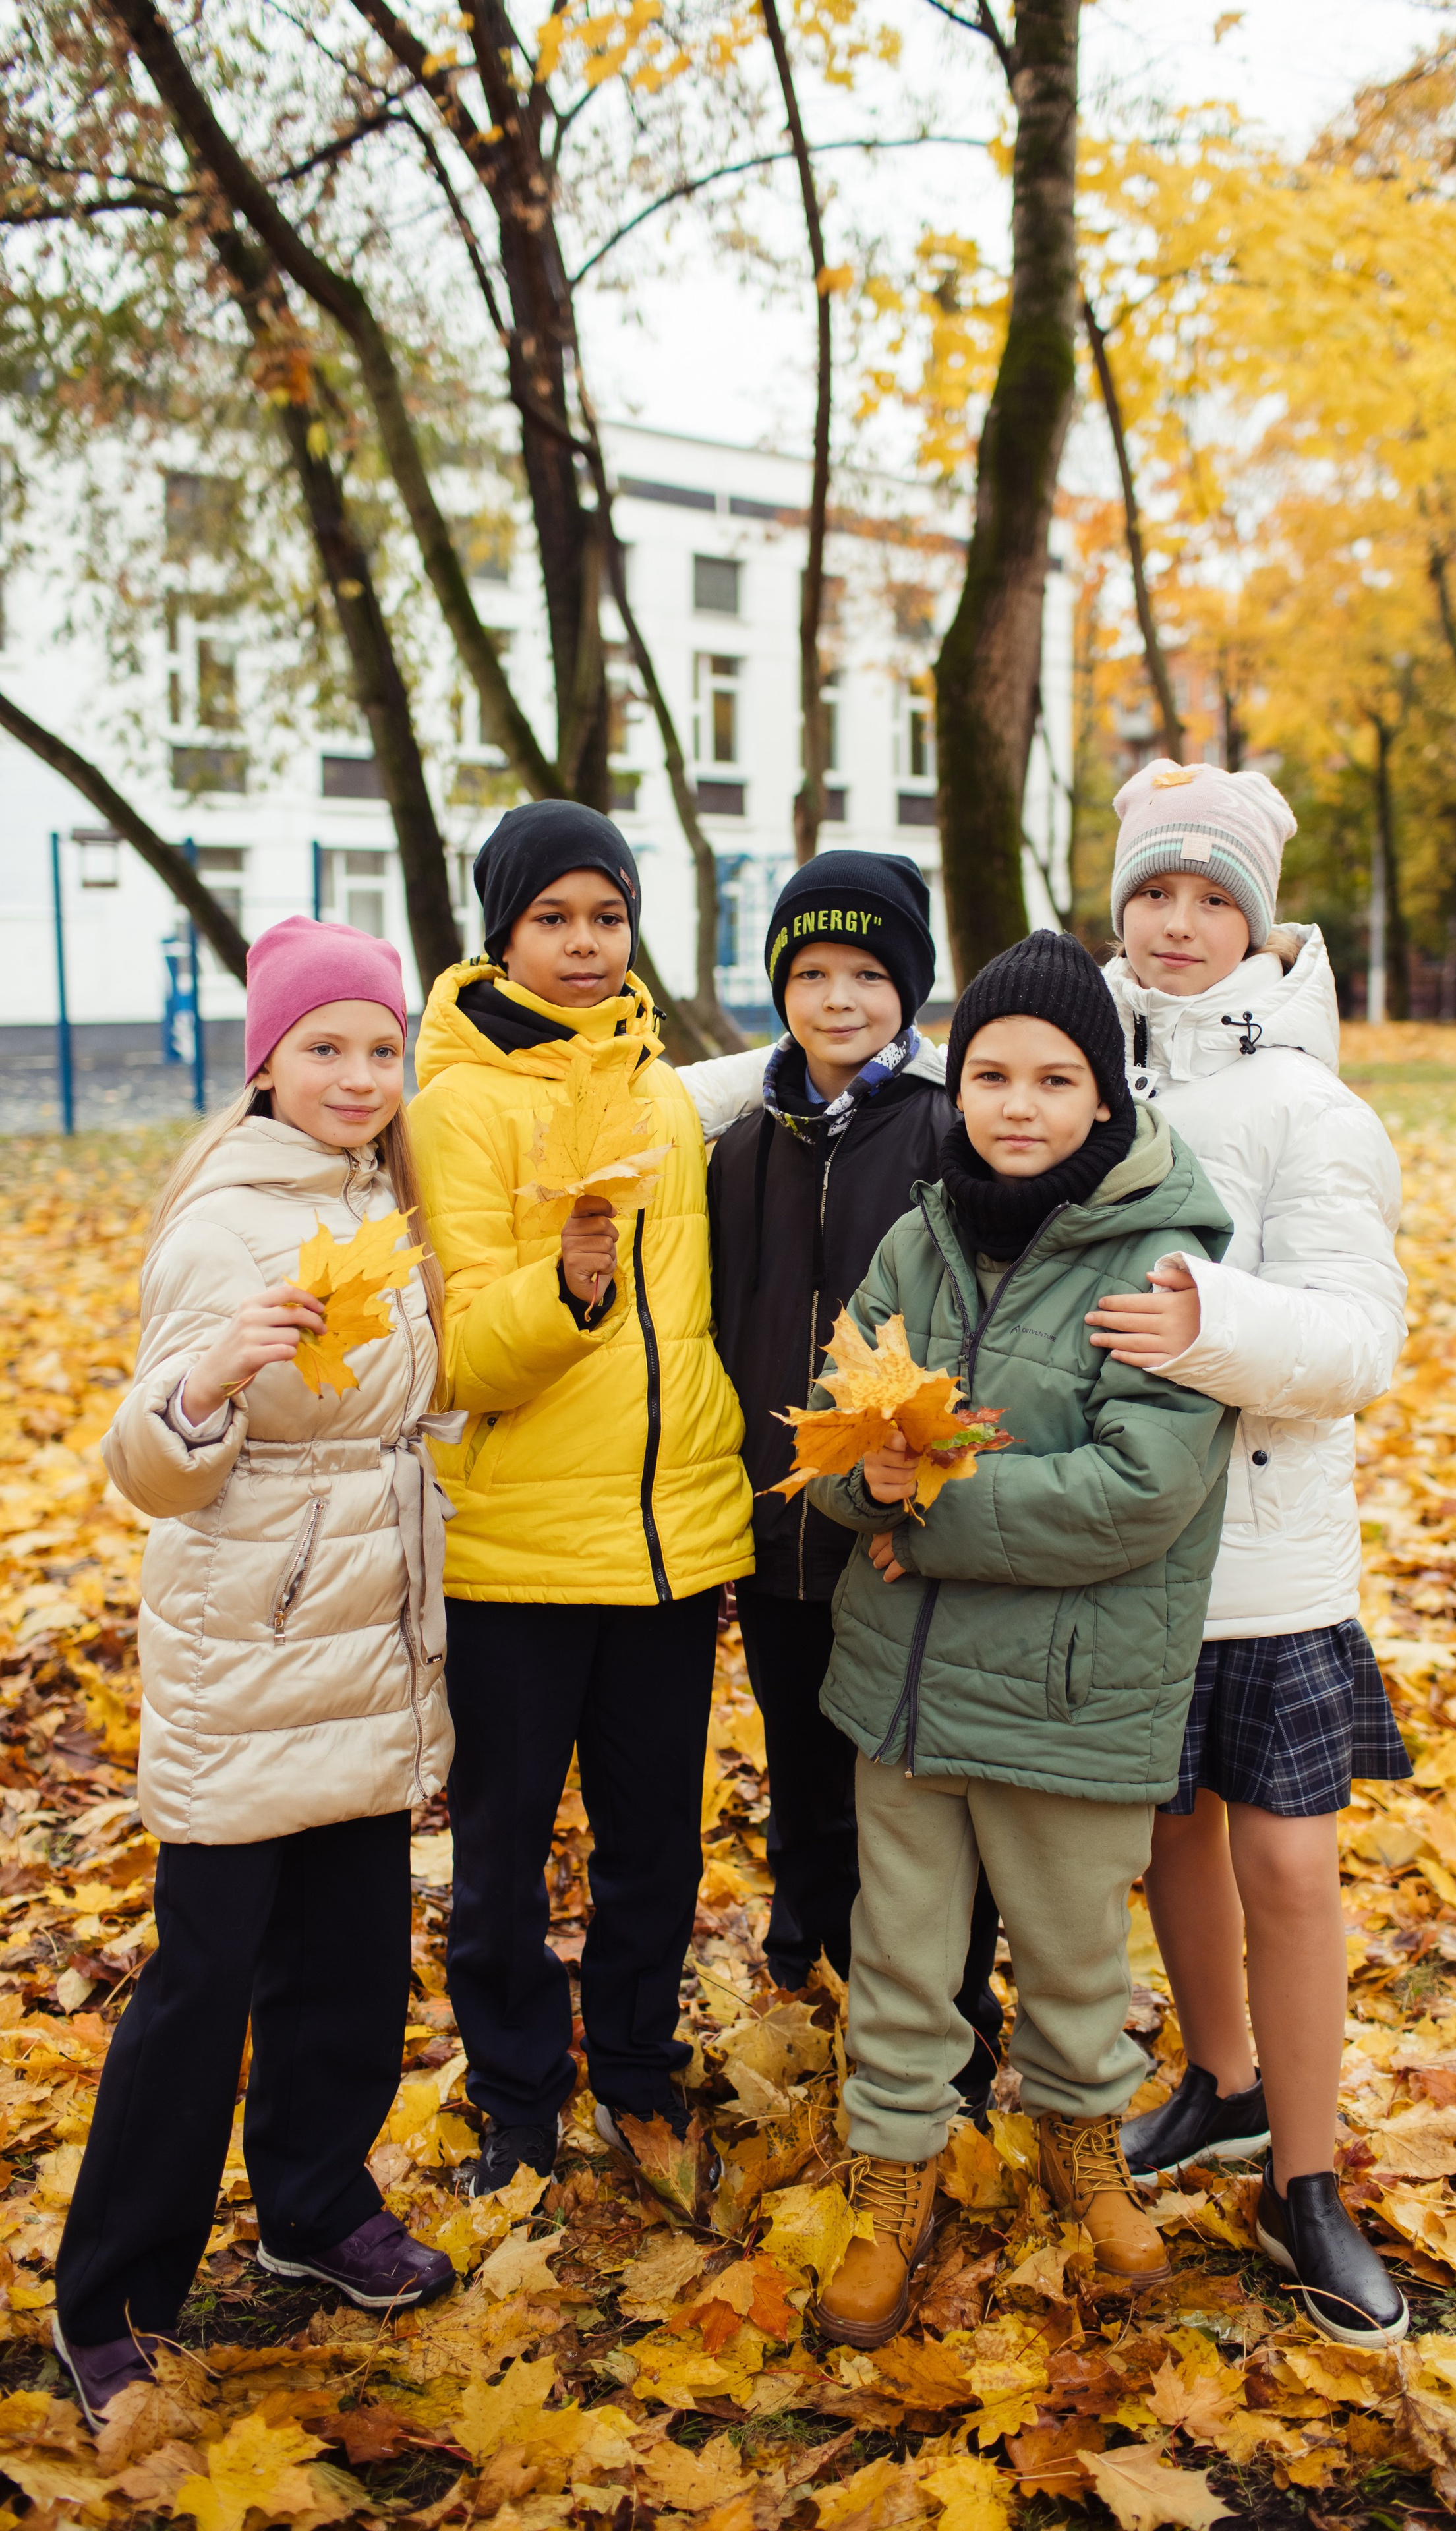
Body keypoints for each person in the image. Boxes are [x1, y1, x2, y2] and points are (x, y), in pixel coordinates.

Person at [800, 931, 1237, 2348]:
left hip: (1071, 1688)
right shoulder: (914, 1241)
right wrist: (853, 1481)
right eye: (991, 1073)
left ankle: (1081, 2145)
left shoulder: (1162, 1254)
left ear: (1102, 1098)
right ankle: (895, 2170)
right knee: (900, 1953)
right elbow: (830, 1437)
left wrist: (917, 1513)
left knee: (1068, 1954)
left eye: (1055, 1078)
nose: (1019, 1104)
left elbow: (1135, 1494)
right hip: (905, 1688)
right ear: (954, 1084)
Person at [53, 917, 457, 2425]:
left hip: (370, 1638)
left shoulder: (376, 1194)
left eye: (379, 1046)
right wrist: (209, 1382)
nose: (360, 1075)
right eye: (326, 1048)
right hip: (254, 1643)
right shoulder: (224, 1220)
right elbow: (145, 1464)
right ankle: (113, 2298)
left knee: (347, 1956)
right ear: (267, 1064)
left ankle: (311, 2209)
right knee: (203, 1979)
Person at [1088, 759, 1411, 2350]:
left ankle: (1307, 2175)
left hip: (1269, 1545)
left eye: (1211, 897)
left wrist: (1207, 1325)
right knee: (1168, 1840)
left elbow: (1357, 1338)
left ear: (1256, 924)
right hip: (1122, 1543)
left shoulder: (1310, 1108)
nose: (1177, 922)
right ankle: (1214, 2080)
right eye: (1154, 890)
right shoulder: (1070, 1075)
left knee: (1284, 1859)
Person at [409, 800, 753, 2195]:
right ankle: (512, 2087)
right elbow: (456, 1357)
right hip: (516, 1553)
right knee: (497, 1856)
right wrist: (569, 1289)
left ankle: (632, 2065)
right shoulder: (454, 1110)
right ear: (500, 933)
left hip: (671, 1547)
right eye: (551, 918)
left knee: (652, 1844)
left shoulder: (662, 1091)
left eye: (604, 917)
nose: (581, 943)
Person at [704, 853, 1003, 2108]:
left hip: (897, 1533)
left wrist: (924, 1493)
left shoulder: (945, 1135)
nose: (838, 1000)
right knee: (809, 1778)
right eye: (812, 973)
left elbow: (988, 1340)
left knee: (926, 1799)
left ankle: (954, 2028)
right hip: (781, 1543)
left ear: (912, 990)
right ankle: (819, 1983)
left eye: (869, 975)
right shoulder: (739, 1148)